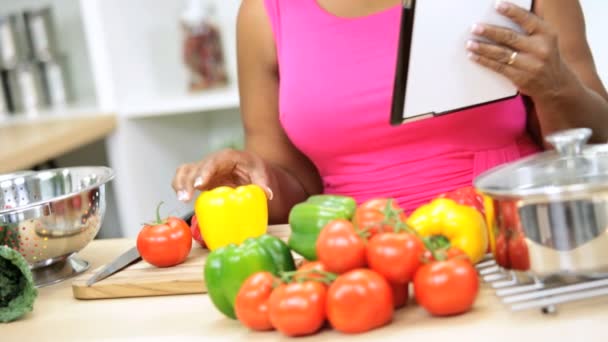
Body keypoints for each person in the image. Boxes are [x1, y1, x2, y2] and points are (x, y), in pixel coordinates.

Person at [172, 0, 608, 224]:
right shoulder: (265, 14)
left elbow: (598, 147)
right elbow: (294, 184)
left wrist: (557, 86)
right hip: (362, 265)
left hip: (512, 242)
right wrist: (253, 178)